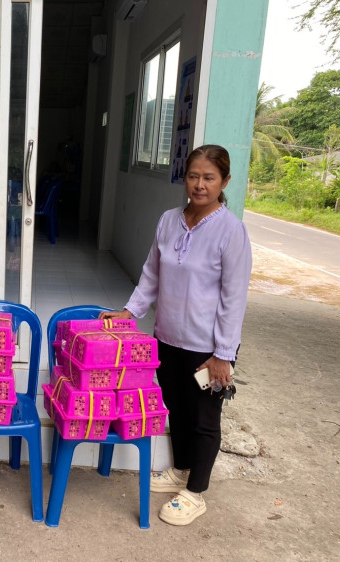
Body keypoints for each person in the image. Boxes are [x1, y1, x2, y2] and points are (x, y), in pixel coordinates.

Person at [100, 144, 252, 526]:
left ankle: (195, 492)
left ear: (224, 182)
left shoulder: (231, 231)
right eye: (193, 176)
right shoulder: (169, 220)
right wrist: (130, 311)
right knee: (177, 409)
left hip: (208, 348)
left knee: (204, 419)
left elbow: (234, 298)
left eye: (209, 178)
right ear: (185, 178)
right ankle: (182, 470)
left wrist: (223, 354)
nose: (200, 185)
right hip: (167, 337)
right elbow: (152, 273)